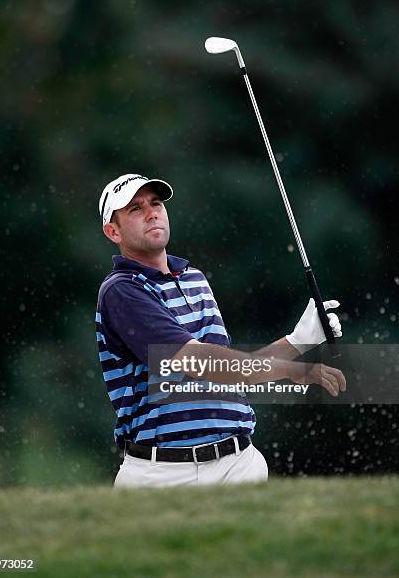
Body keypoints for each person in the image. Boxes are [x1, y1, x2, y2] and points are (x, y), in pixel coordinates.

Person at [95, 173, 345, 488]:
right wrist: (291, 370)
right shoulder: (121, 291)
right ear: (112, 231)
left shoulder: (194, 279)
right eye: (135, 208)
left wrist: (297, 342)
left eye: (155, 203)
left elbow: (230, 372)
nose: (151, 212)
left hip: (240, 464)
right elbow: (196, 362)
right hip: (162, 473)